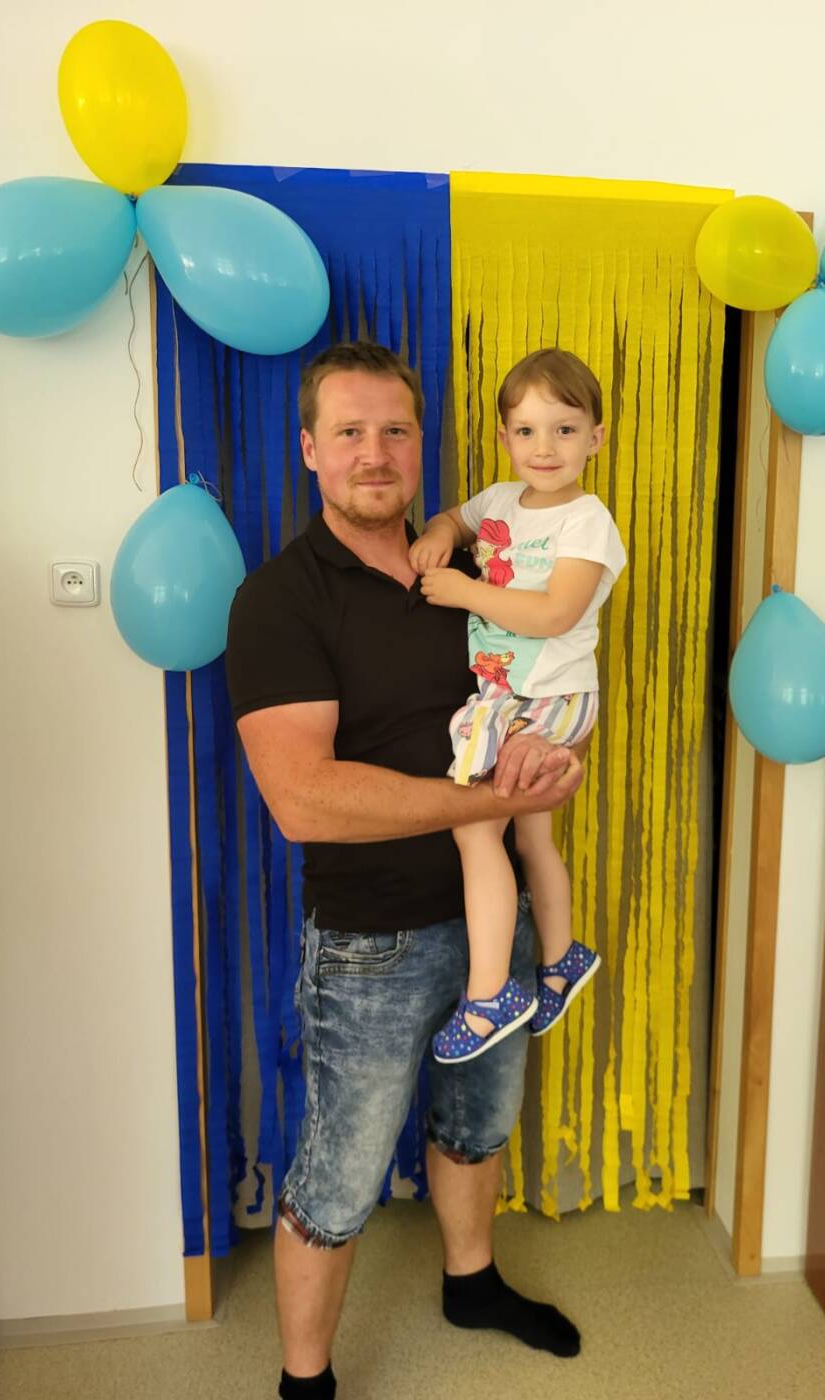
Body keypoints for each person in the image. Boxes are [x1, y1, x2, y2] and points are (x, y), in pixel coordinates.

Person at [225, 341, 586, 1400]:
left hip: (494, 921)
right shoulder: (280, 599)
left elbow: (538, 688)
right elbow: (303, 798)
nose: (374, 452)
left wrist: (552, 760)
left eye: (395, 430)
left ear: (422, 444)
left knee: (477, 1128)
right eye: (349, 431)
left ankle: (471, 1283)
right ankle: (305, 1380)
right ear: (309, 449)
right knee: (337, 1179)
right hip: (368, 947)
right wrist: (492, 803)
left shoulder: (473, 572)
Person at [410, 349, 626, 1064]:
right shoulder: (500, 502)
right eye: (527, 431)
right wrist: (440, 535)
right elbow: (454, 517)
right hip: (505, 694)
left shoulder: (587, 520)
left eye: (565, 430)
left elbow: (557, 613)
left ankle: (490, 993)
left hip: (551, 696)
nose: (545, 447)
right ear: (504, 437)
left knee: (475, 828)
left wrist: (465, 592)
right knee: (530, 836)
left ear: (595, 438)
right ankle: (561, 960)